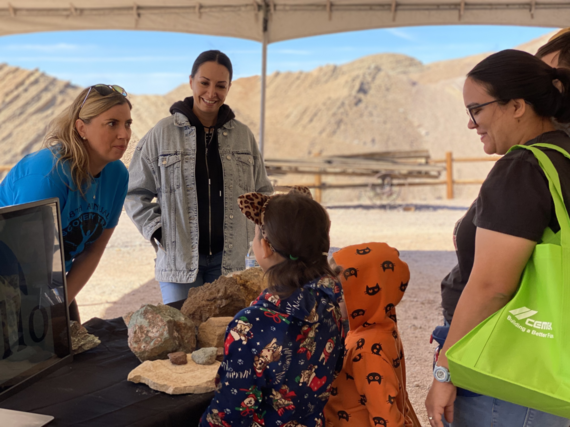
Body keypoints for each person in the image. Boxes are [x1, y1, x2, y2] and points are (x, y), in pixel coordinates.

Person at [425, 49, 570, 427]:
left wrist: (445, 371)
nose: (471, 124)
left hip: (510, 371)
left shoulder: (523, 168)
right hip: (551, 366)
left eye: (477, 109)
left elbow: (491, 287)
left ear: (517, 106)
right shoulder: (564, 156)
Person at [125, 50, 272, 305]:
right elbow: (133, 192)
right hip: (178, 264)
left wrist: (258, 240)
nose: (211, 92)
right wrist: (157, 230)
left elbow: (263, 192)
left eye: (220, 85)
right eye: (204, 83)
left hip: (232, 263)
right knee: (182, 337)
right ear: (191, 81)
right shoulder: (162, 133)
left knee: (225, 336)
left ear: (228, 88)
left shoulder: (243, 136)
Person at [200, 187, 345, 427]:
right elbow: (335, 365)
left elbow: (231, 410)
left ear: (265, 247)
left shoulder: (250, 323)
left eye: (255, 235)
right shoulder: (329, 303)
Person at [0, 84, 131, 321]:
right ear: (82, 128)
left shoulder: (118, 175)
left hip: (51, 279)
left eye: (127, 124)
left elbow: (92, 251)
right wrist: (43, 317)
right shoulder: (47, 175)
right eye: (112, 123)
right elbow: (25, 268)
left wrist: (59, 306)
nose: (124, 134)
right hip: (11, 279)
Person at [324, 242, 415, 427]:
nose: (330, 298)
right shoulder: (381, 325)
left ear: (366, 295)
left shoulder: (367, 348)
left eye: (340, 293)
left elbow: (386, 419)